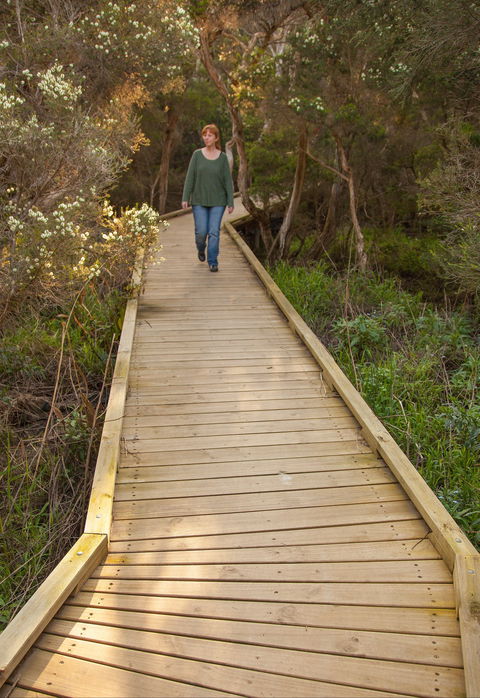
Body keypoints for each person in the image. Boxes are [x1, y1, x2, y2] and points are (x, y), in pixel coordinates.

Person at [182, 124, 234, 272]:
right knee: (201, 232)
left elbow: (227, 181)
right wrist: (185, 197)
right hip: (199, 201)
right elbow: (190, 178)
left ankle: (213, 261)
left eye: (210, 135)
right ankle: (201, 248)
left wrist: (230, 202)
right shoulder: (197, 155)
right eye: (205, 135)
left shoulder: (222, 158)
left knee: (214, 232)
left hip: (218, 201)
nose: (206, 137)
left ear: (216, 138)